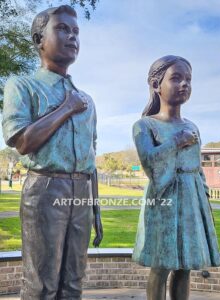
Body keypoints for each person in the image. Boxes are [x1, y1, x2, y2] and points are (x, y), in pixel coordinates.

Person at [2, 5, 103, 300]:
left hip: (81, 191)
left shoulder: (88, 100)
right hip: (46, 189)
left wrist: (94, 208)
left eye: (76, 32)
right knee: (41, 285)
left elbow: (90, 158)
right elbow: (22, 142)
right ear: (38, 39)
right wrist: (66, 108)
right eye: (62, 29)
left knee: (73, 282)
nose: (72, 36)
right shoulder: (22, 85)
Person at [132, 55, 220, 300]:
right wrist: (175, 142)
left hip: (192, 199)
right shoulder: (144, 125)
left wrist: (204, 200)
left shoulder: (192, 126)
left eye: (188, 79)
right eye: (176, 78)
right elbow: (150, 164)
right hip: (164, 199)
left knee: (185, 265)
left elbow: (199, 169)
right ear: (155, 85)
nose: (184, 84)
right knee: (161, 265)